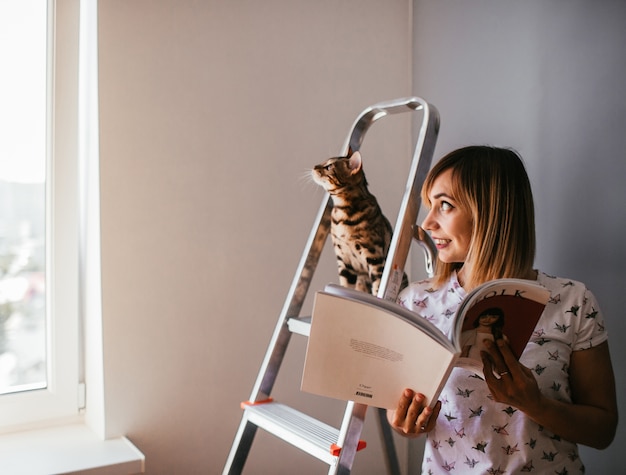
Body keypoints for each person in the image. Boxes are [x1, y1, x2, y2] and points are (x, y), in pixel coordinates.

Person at [388, 146, 617, 474]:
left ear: (490, 213)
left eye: (445, 206)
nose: (427, 223)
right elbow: (398, 416)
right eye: (430, 206)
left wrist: (534, 404)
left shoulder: (572, 301)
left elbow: (603, 430)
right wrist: (406, 424)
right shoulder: (416, 302)